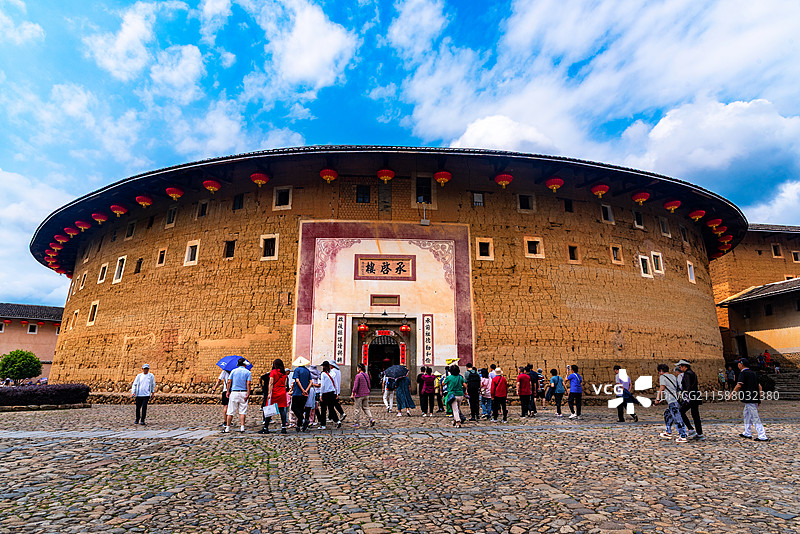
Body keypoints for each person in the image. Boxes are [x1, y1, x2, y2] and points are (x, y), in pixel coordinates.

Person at [732, 358, 768, 441]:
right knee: (746, 414)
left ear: (741, 364)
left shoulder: (743, 373)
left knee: (754, 417)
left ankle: (762, 435)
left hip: (749, 398)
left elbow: (739, 385)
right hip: (754, 397)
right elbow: (760, 386)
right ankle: (747, 432)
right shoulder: (753, 373)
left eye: (738, 364)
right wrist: (759, 398)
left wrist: (731, 394)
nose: (738, 365)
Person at [654, 363, 688, 443]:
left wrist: (657, 399)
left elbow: (662, 388)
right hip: (676, 399)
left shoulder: (662, 377)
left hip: (672, 400)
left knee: (677, 417)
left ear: (661, 371)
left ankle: (683, 436)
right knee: (667, 414)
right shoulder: (673, 376)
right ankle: (668, 431)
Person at [260, 359, 289, 434]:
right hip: (282, 392)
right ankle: (283, 427)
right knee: (282, 410)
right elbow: (285, 384)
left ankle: (266, 427)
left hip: (275, 392)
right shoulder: (284, 373)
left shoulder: (273, 372)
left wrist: (269, 393)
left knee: (269, 409)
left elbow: (271, 383)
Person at [676, 360, 704, 440]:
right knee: (695, 415)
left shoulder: (687, 374)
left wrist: (686, 396)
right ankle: (700, 433)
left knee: (681, 411)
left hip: (690, 396)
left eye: (681, 366)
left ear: (685, 366)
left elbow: (688, 386)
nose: (680, 368)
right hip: (695, 395)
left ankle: (691, 429)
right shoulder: (693, 373)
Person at [225, 358, 252, 433]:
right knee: (242, 411)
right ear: (244, 364)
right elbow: (248, 383)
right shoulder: (248, 372)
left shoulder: (233, 371)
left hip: (234, 392)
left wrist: (227, 391)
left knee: (230, 411)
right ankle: (242, 427)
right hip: (243, 392)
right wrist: (248, 393)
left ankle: (227, 428)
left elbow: (229, 381)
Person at [290, 357, 312, 432]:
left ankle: (302, 420)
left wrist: (302, 389)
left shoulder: (297, 370)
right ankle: (299, 425)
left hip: (297, 392)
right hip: (305, 394)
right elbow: (311, 382)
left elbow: (297, 380)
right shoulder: (307, 371)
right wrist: (306, 390)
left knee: (294, 408)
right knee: (301, 409)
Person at [351, 362, 375, 427]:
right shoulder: (366, 375)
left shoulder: (358, 376)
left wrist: (353, 393)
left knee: (357, 409)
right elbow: (369, 385)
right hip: (366, 394)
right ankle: (371, 419)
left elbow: (355, 386)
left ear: (359, 368)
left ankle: (357, 422)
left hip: (359, 395)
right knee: (366, 408)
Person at [318, 361, 341, 430]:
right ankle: (338, 421)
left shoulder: (323, 374)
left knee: (323, 410)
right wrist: (337, 393)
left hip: (325, 393)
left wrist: (320, 394)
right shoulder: (333, 373)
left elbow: (323, 385)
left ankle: (323, 425)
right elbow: (336, 384)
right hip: (332, 393)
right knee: (331, 408)